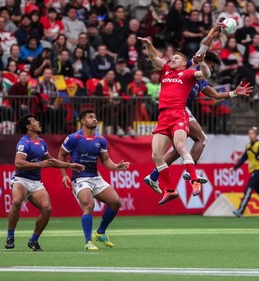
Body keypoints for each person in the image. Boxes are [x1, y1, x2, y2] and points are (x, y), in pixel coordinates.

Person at [138, 36, 211, 205]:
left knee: (179, 146)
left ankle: (194, 180)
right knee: (156, 155)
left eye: (176, 58)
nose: (173, 59)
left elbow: (206, 74)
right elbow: (154, 57)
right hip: (163, 117)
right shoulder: (165, 71)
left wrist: (203, 62)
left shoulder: (188, 74)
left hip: (178, 114)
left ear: (184, 63)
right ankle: (170, 190)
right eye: (172, 58)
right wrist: (149, 44)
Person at [5, 114, 85, 251]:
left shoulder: (41, 143)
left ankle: (33, 240)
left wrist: (70, 165)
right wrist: (39, 164)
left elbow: (51, 161)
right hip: (21, 180)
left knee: (47, 209)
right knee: (17, 201)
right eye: (35, 121)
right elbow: (18, 163)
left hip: (35, 182)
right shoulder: (24, 143)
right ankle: (10, 236)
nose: (38, 122)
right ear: (29, 126)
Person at [58, 109, 130, 250]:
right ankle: (88, 242)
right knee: (88, 206)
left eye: (95, 117)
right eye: (91, 117)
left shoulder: (100, 139)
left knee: (115, 202)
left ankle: (101, 232)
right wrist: (64, 174)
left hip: (95, 177)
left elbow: (106, 160)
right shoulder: (74, 138)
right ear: (83, 121)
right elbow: (61, 156)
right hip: (80, 178)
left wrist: (116, 166)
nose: (94, 119)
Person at [231, 127, 259, 218]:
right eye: (249, 133)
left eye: (252, 133)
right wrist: (234, 168)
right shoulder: (248, 146)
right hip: (253, 171)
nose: (250, 135)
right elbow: (243, 158)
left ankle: (240, 210)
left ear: (256, 134)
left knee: (248, 189)